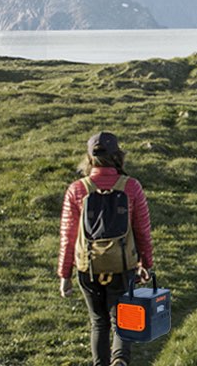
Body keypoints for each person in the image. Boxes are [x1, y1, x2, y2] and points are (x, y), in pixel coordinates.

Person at [58, 131, 155, 366]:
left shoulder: (77, 189)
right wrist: (146, 264)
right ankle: (120, 361)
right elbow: (143, 231)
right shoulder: (131, 187)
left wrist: (64, 274)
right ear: (118, 156)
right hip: (123, 265)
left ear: (90, 158)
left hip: (87, 266)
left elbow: (68, 235)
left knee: (98, 321)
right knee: (122, 319)